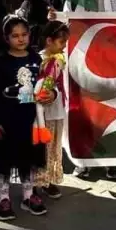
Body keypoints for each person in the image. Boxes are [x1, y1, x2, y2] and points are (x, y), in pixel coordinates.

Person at [0, 17, 49, 220]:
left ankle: (29, 195)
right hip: (6, 122)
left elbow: (45, 84)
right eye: (15, 36)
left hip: (31, 121)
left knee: (28, 161)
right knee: (4, 162)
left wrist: (49, 93)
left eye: (24, 34)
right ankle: (4, 198)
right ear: (6, 38)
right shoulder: (0, 63)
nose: (20, 39)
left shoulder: (37, 60)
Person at [33, 21, 70, 201]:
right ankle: (35, 183)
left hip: (56, 109)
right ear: (49, 41)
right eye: (61, 42)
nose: (64, 47)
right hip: (42, 113)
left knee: (54, 147)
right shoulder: (39, 60)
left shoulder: (60, 60)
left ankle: (49, 181)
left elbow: (59, 85)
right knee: (42, 147)